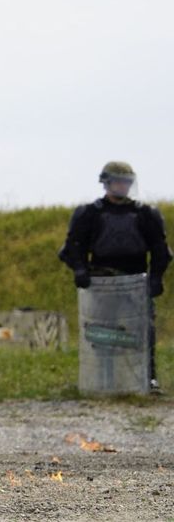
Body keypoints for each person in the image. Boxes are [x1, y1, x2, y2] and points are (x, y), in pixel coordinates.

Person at [60, 161, 171, 394]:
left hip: (136, 282)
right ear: (107, 183)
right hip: (102, 283)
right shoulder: (89, 214)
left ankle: (148, 379)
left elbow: (161, 250)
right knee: (101, 333)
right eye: (118, 181)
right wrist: (81, 270)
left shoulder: (145, 214)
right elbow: (71, 247)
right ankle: (102, 379)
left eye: (126, 182)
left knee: (143, 332)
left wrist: (156, 278)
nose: (122, 186)